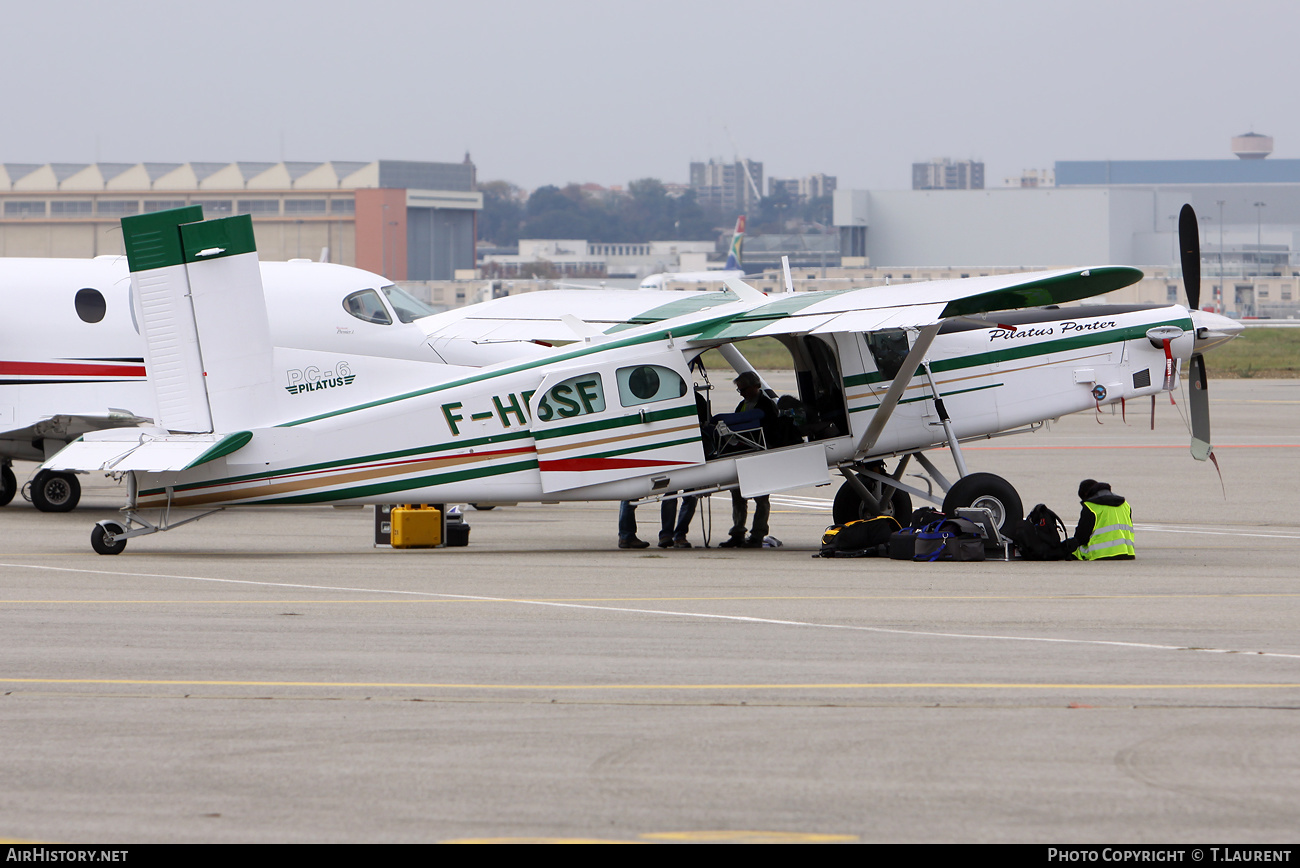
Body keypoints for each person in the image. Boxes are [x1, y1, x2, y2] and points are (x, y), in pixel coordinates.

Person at [719, 371, 786, 548]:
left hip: (761, 454)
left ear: (756, 386)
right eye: (739, 390)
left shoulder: (767, 406)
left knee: (761, 498)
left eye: (743, 389)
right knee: (737, 495)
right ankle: (738, 532)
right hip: (743, 453)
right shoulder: (742, 405)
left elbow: (771, 430)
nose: (741, 393)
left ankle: (758, 534)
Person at [1066, 479, 1135, 560]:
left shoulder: (1091, 506)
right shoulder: (1125, 504)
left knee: (1071, 549)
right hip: (1127, 553)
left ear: (1085, 494)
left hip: (1099, 554)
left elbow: (1082, 537)